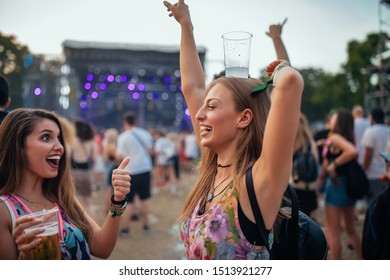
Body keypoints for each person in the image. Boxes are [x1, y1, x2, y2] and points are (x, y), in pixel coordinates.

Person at [164, 0, 304, 260]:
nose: (199, 114)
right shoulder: (213, 167)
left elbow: (292, 83)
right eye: (203, 106)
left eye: (212, 106)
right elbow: (192, 87)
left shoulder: (260, 181)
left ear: (244, 118)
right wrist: (186, 25)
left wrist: (281, 69)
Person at [0, 108, 131, 259]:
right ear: (18, 147)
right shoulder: (4, 211)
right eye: (45, 137)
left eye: (59, 138)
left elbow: (102, 248)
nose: (60, 147)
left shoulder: (62, 198)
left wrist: (118, 199)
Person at [317, 109, 362, 259]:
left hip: (337, 187)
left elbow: (352, 151)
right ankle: (362, 259)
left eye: (334, 117)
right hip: (348, 187)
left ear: (339, 122)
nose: (331, 119)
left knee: (333, 232)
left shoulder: (336, 137)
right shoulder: (342, 137)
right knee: (351, 229)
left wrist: (333, 164)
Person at [116, 111, 154, 236]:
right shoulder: (144, 133)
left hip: (130, 171)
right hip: (145, 169)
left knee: (130, 200)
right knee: (145, 198)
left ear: (125, 122)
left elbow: (119, 155)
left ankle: (126, 228)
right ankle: (146, 226)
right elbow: (150, 150)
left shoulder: (123, 137)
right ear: (136, 122)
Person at [289, 113, 320, 218]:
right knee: (306, 220)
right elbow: (316, 162)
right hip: (309, 188)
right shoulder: (311, 144)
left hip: (294, 187)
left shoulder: (290, 142)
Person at [361, 107, 389, 205]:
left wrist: (363, 169)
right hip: (386, 173)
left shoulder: (370, 131)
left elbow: (368, 153)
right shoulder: (388, 130)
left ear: (372, 118)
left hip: (373, 173)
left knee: (374, 204)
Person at [70, 119, 96, 214]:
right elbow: (94, 158)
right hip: (86, 172)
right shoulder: (91, 142)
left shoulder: (73, 141)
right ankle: (92, 221)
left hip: (74, 171)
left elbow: (68, 155)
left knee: (75, 198)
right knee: (88, 200)